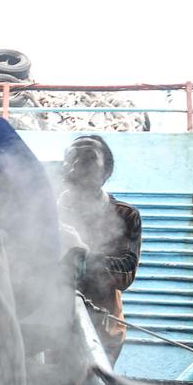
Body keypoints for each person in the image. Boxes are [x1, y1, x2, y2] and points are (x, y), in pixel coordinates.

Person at [58, 135, 141, 365]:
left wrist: (81, 254)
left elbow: (126, 274)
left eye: (88, 159)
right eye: (72, 158)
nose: (77, 166)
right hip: (53, 328)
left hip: (103, 331)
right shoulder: (47, 211)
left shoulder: (125, 215)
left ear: (106, 172)